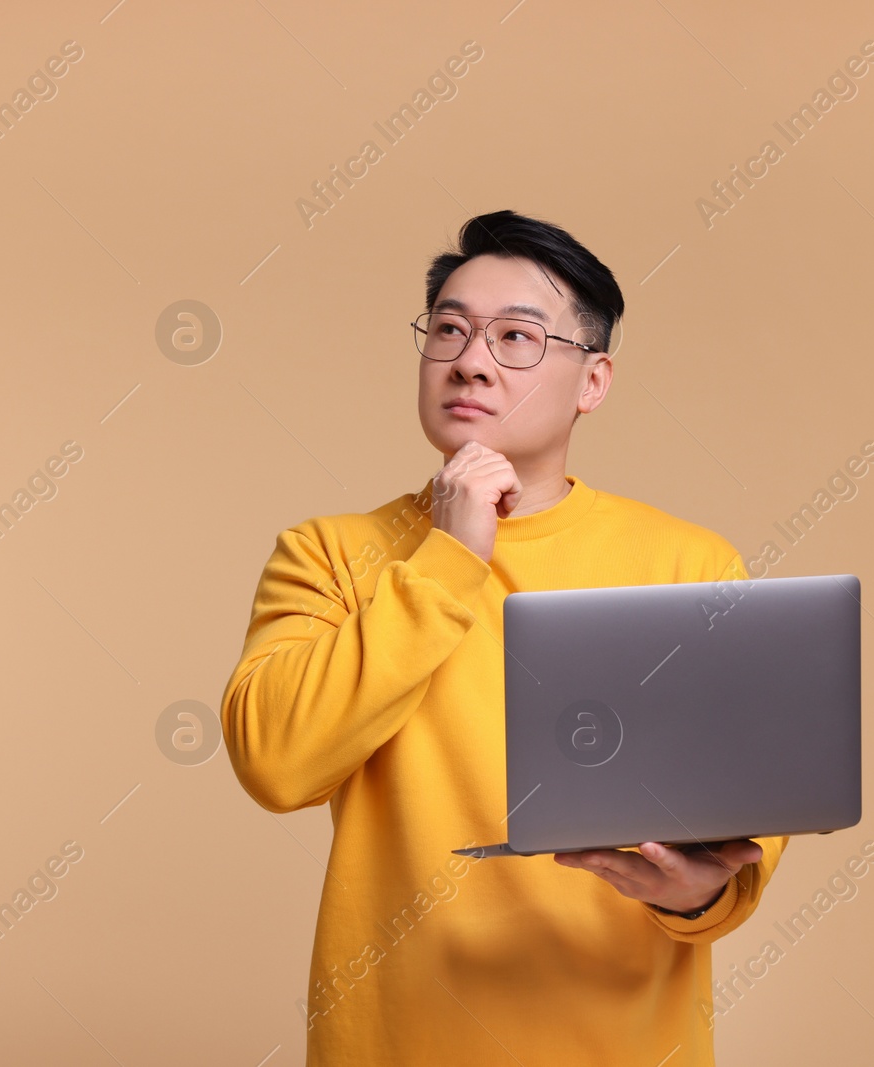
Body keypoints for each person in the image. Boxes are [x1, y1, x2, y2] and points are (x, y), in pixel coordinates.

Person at [219, 209, 788, 1065]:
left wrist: (699, 892)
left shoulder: (688, 562)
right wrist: (449, 556)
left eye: (516, 336)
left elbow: (749, 820)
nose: (470, 360)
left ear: (593, 381)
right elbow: (275, 761)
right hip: (395, 1042)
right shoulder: (329, 553)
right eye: (448, 329)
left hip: (622, 1041)